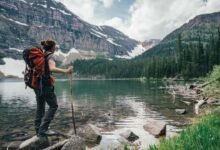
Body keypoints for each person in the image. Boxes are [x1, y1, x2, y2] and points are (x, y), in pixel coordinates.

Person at [34, 39, 73, 137]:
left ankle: (38, 129)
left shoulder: (41, 55)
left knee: (40, 108)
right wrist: (66, 71)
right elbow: (51, 68)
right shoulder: (50, 56)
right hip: (45, 86)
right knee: (53, 106)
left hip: (37, 85)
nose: (55, 48)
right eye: (55, 46)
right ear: (52, 48)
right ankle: (43, 129)